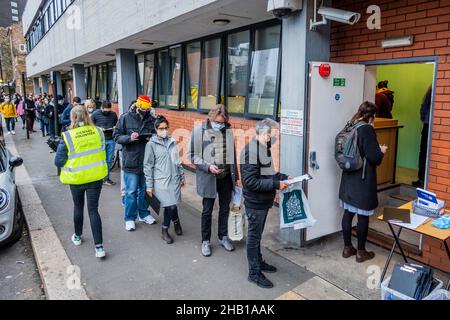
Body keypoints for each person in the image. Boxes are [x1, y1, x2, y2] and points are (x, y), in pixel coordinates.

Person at [240, 119, 290, 289]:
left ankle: (259, 263)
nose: (271, 137)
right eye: (270, 134)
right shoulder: (251, 152)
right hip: (255, 203)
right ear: (262, 133)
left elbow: (266, 174)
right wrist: (276, 184)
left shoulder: (262, 149)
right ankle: (254, 273)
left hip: (262, 201)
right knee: (254, 238)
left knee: (257, 236)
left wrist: (282, 177)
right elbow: (250, 182)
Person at [54, 105, 108, 259]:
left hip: (76, 178)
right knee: (93, 210)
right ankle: (99, 248)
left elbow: (58, 161)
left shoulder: (68, 136)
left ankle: (77, 236)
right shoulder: (98, 132)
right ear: (87, 115)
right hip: (95, 177)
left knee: (78, 207)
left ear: (73, 117)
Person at [339, 101, 387, 264]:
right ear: (372, 117)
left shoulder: (351, 125)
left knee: (348, 213)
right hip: (362, 179)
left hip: (348, 177)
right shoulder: (367, 129)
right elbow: (374, 157)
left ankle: (347, 248)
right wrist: (381, 151)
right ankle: (360, 252)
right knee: (362, 217)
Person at [188, 104, 239, 257]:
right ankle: (205, 241)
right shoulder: (199, 131)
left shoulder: (228, 132)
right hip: (208, 177)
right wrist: (207, 166)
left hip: (225, 178)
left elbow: (233, 156)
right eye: (217, 122)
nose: (219, 125)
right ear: (211, 118)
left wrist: (235, 177)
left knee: (224, 209)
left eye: (222, 122)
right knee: (207, 211)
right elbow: (192, 155)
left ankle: (223, 236)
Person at [114, 95, 157, 231]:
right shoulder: (125, 118)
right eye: (143, 108)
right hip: (131, 160)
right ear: (138, 106)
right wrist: (129, 138)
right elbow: (116, 136)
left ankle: (144, 214)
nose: (145, 111)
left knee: (145, 190)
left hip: (147, 160)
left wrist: (152, 137)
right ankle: (130, 218)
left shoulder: (151, 119)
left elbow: (158, 134)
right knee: (131, 192)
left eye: (147, 109)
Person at [144, 116, 186, 244]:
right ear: (156, 129)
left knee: (173, 205)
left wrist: (182, 176)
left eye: (166, 128)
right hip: (161, 181)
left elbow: (178, 161)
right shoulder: (150, 145)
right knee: (170, 205)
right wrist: (149, 186)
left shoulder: (172, 141)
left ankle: (176, 222)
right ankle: (165, 230)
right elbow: (147, 166)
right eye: (161, 128)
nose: (164, 130)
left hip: (174, 179)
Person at [91, 101, 119, 186]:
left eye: (108, 111)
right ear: (101, 108)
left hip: (111, 139)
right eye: (105, 111)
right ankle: (98, 178)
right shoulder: (95, 114)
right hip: (99, 140)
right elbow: (90, 126)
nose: (107, 112)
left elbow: (117, 125)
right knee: (99, 160)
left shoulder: (113, 114)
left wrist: (115, 127)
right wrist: (98, 128)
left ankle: (106, 178)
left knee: (109, 160)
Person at [413, 86, 433, 188]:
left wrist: (423, 118)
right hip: (439, 125)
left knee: (424, 151)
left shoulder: (433, 85)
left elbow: (424, 103)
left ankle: (421, 180)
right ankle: (427, 180)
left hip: (429, 123)